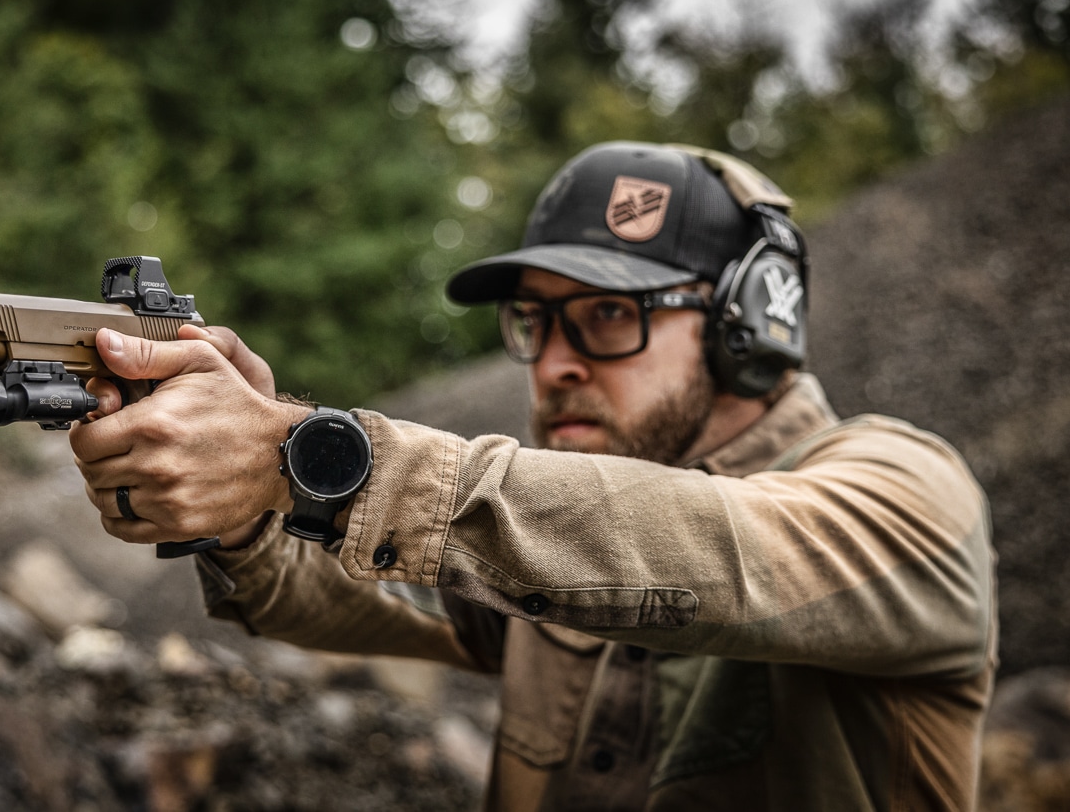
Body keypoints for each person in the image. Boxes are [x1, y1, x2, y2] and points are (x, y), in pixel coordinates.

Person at [70, 142, 996, 811]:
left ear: (747, 326)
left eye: (604, 315)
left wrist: (315, 456)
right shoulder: (532, 545)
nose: (553, 362)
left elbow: (720, 551)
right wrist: (248, 508)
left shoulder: (909, 492)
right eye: (535, 322)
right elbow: (358, 585)